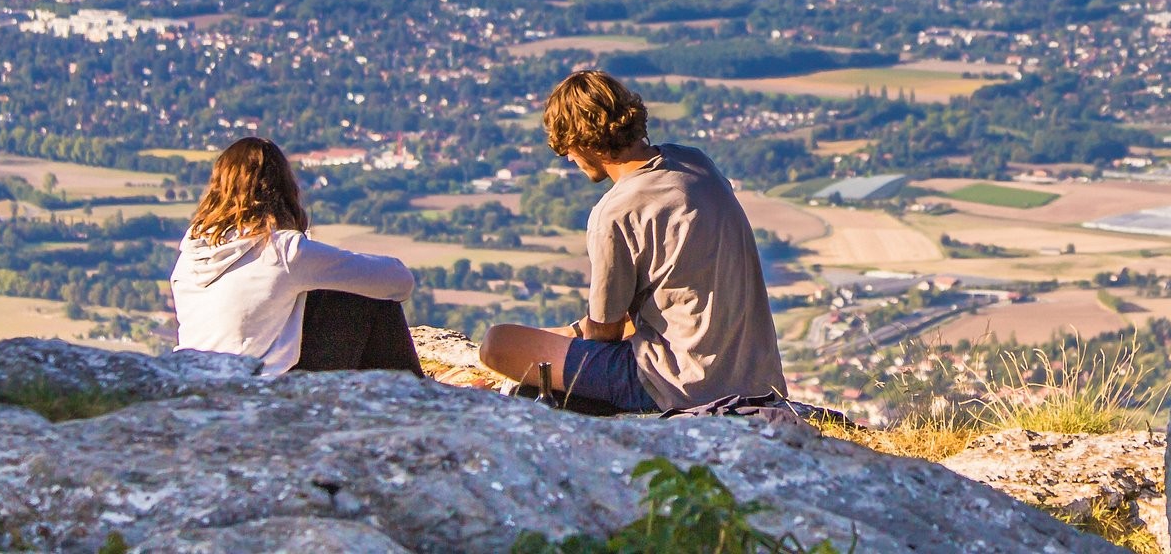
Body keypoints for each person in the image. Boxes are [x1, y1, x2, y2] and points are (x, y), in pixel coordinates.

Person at [479, 69, 786, 413]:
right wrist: (569, 333)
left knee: (497, 342)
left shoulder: (616, 212)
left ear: (582, 140)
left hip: (677, 384)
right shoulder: (696, 162)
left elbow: (605, 334)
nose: (567, 158)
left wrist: (564, 338)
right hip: (758, 379)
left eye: (565, 147)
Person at [171, 136, 423, 377]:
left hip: (194, 379)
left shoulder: (191, 253)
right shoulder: (282, 250)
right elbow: (399, 282)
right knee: (370, 299)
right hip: (257, 387)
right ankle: (415, 404)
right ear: (282, 188)